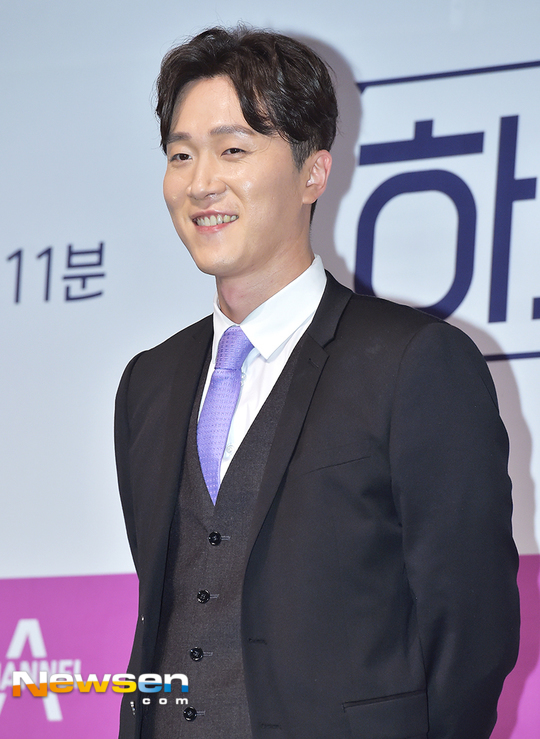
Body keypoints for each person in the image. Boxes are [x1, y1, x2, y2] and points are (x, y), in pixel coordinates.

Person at [114, 25, 519, 739]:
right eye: (181, 154)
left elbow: (471, 624)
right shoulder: (148, 383)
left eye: (233, 150)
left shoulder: (414, 362)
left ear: (314, 173)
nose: (200, 182)